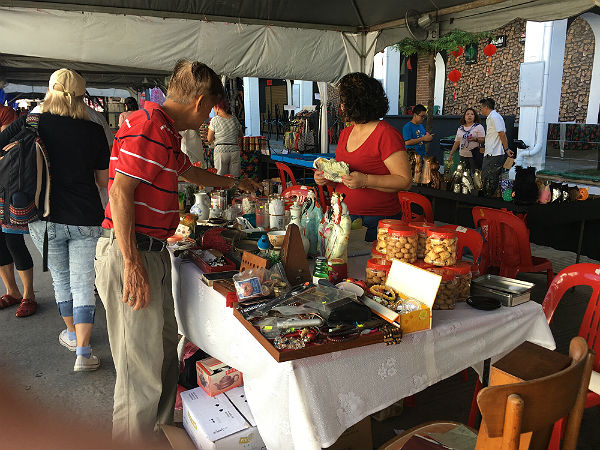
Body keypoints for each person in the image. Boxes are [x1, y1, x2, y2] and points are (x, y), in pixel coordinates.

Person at [95, 59, 260, 445]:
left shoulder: (164, 131)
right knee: (140, 372)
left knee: (166, 352)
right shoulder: (150, 126)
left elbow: (188, 171)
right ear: (201, 102)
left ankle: (159, 436)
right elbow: (120, 192)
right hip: (133, 253)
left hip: (152, 253)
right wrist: (133, 263)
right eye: (208, 113)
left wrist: (234, 183)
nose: (205, 122)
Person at [2, 69, 110, 369]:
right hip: (86, 215)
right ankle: (84, 354)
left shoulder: (31, 122)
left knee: (62, 279)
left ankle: (73, 335)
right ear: (80, 95)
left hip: (42, 216)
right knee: (84, 282)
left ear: (50, 91)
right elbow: (104, 182)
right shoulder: (93, 130)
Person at [314, 72, 412, 242]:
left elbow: (404, 181)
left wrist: (366, 180)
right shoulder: (346, 132)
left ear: (357, 102)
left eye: (344, 101)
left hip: (377, 221)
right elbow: (344, 174)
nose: (341, 106)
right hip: (343, 215)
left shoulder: (386, 134)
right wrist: (327, 178)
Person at [0, 105, 37, 317]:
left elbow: (9, 148)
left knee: (13, 241)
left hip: (10, 184)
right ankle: (11, 292)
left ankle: (28, 294)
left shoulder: (6, 113)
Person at [207, 101, 243, 176]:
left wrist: (216, 139)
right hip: (234, 150)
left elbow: (209, 138)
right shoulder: (234, 119)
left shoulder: (215, 120)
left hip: (221, 151)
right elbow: (240, 135)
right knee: (235, 177)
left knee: (220, 176)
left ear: (217, 108)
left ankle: (221, 188)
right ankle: (234, 188)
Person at [479, 97, 514, 174]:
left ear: (486, 107)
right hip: (490, 153)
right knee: (487, 178)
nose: (480, 110)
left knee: (491, 179)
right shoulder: (491, 117)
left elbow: (502, 134)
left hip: (494, 154)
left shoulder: (494, 117)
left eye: (481, 108)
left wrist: (506, 149)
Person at [448, 108, 485, 175]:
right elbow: (456, 142)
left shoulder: (479, 127)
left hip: (474, 156)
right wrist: (451, 154)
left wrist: (475, 139)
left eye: (472, 114)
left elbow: (483, 140)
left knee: (475, 175)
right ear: (464, 117)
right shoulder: (460, 128)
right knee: (463, 175)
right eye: (467, 114)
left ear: (474, 117)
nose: (469, 116)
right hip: (462, 155)